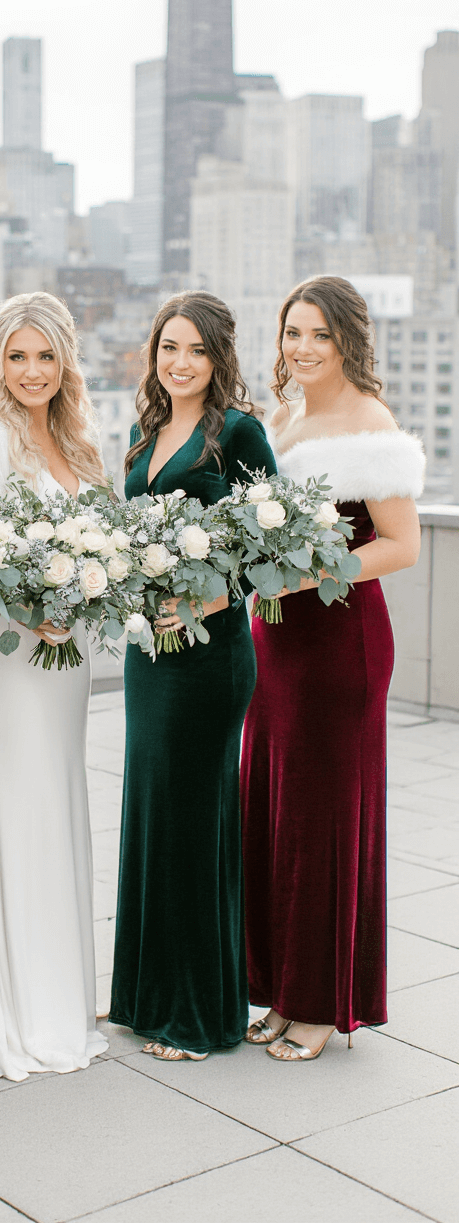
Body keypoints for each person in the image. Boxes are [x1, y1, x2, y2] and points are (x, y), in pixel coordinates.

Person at [240, 276, 423, 1062]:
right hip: (275, 645)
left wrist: (309, 574)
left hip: (340, 645)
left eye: (319, 334)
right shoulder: (282, 417)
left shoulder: (370, 420)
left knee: (322, 820)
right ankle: (282, 990)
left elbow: (401, 545)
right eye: (292, 333)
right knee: (277, 813)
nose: (303, 348)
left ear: (348, 339)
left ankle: (320, 1003)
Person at [109, 291, 277, 1061]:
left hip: (209, 656)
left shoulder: (240, 433)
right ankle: (149, 998)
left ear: (219, 358)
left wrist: (212, 591)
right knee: (153, 813)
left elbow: (273, 547)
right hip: (150, 654)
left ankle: (198, 1014)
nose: (180, 363)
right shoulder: (145, 433)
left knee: (192, 821)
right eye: (169, 348)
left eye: (197, 351)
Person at [0, 291, 109, 1081]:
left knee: (61, 799)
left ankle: (65, 998)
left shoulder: (79, 443)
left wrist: (85, 591)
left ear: (65, 361)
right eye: (16, 356)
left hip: (71, 651)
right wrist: (28, 606)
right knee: (20, 803)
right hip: (14, 655)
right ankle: (18, 1008)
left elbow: (105, 543)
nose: (31, 371)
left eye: (45, 356)